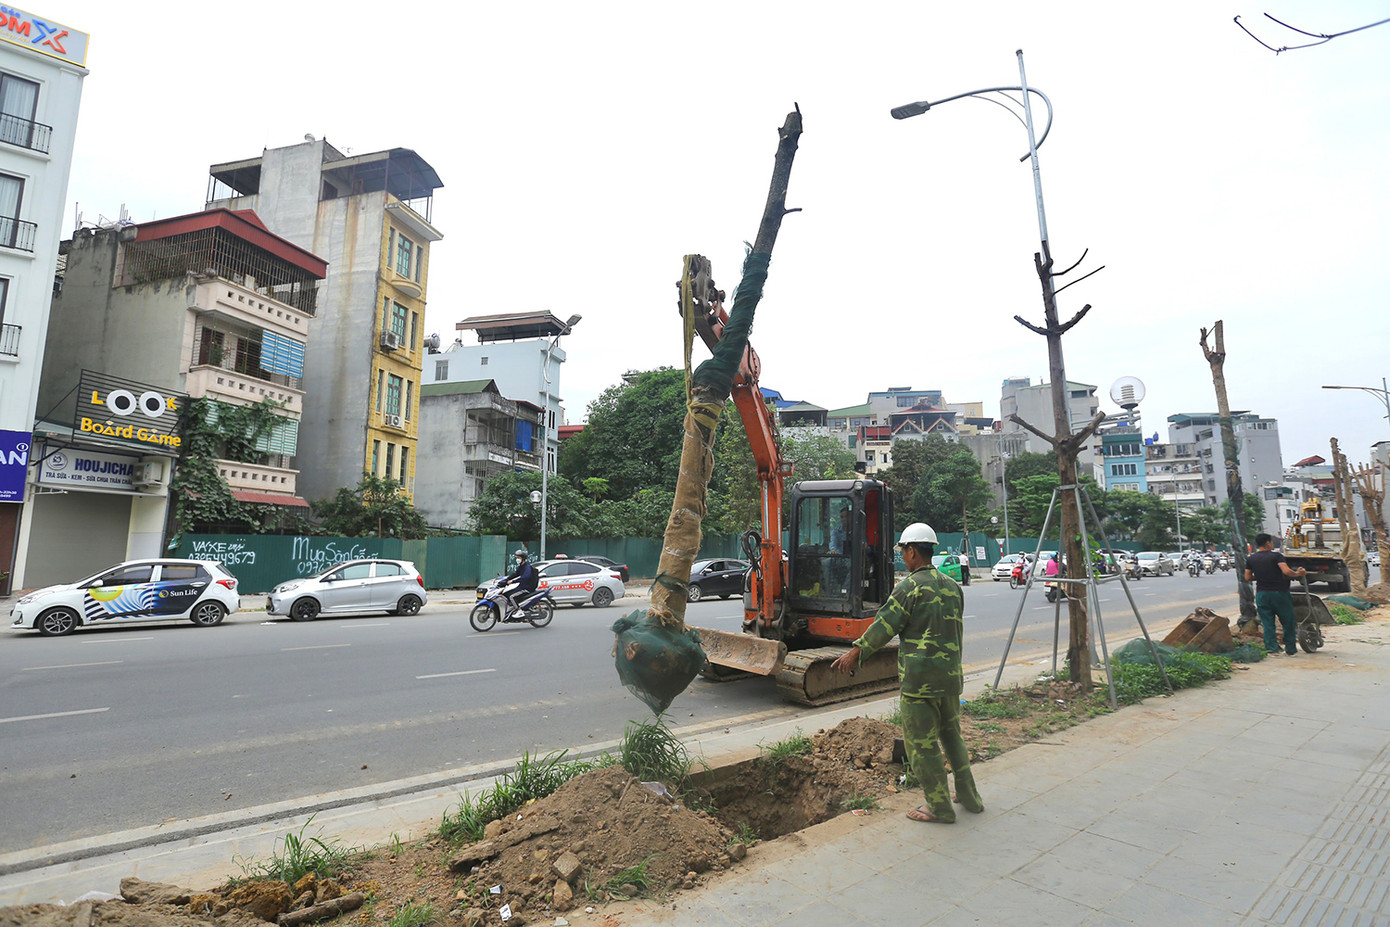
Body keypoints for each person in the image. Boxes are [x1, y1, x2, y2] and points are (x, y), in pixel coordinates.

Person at [830, 522, 982, 824]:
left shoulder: (909, 587)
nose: (903, 555)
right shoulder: (953, 587)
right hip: (950, 680)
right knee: (953, 738)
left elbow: (884, 626)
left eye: (903, 550)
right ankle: (969, 796)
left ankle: (939, 806)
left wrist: (854, 654)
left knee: (921, 746)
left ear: (912, 551)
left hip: (920, 684)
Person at [1244, 533, 1307, 656]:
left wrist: (1261, 577)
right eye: (1271, 542)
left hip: (1262, 595)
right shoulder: (1276, 556)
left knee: (1268, 624)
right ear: (1268, 543)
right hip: (1279, 594)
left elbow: (1247, 577)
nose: (1272, 544)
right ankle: (1290, 649)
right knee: (1288, 622)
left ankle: (1272, 649)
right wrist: (1299, 573)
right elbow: (1286, 571)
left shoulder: (1251, 558)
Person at [500, 549, 539, 618]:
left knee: (511, 597)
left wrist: (512, 581)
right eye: (517, 558)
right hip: (522, 586)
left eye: (519, 558)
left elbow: (525, 577)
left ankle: (519, 611)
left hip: (527, 588)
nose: (517, 559)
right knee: (508, 593)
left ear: (523, 559)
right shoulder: (521, 567)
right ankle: (514, 608)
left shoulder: (527, 567)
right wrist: (506, 579)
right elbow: (515, 574)